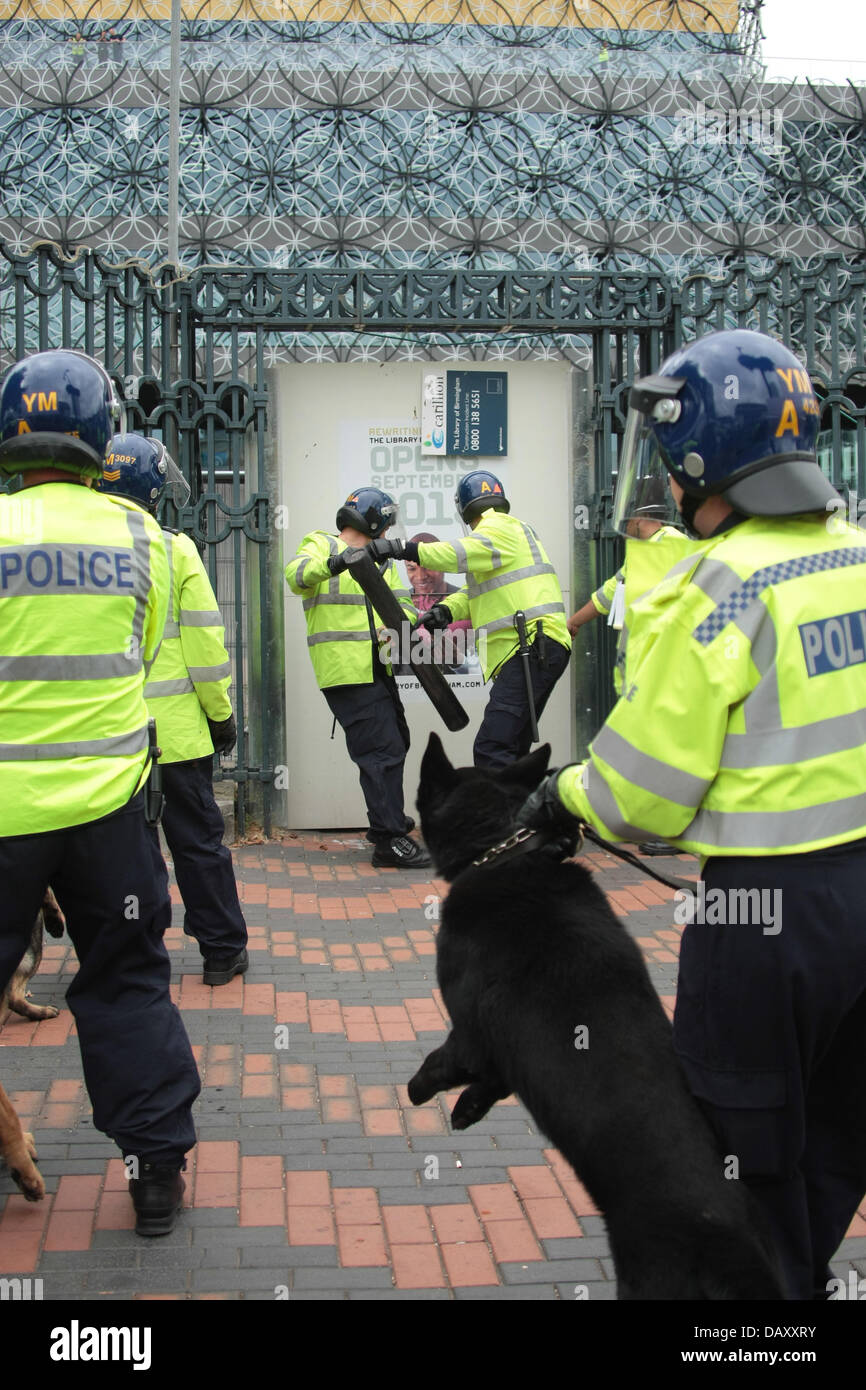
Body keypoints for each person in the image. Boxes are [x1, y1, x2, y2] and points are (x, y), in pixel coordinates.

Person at [518, 328, 866, 1300]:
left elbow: (639, 793)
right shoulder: (854, 554)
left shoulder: (718, 583)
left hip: (764, 918)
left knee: (734, 1149)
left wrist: (562, 795)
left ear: (693, 459)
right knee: (835, 1130)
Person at [0, 350, 200, 1237]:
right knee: (125, 984)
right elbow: (147, 652)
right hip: (107, 811)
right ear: (95, 434)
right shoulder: (143, 541)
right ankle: (153, 1171)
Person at [99, 433, 249, 986]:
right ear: (155, 491)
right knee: (197, 843)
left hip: (110, 732)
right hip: (179, 734)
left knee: (128, 849)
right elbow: (206, 646)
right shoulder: (172, 548)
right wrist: (222, 714)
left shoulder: (82, 547)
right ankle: (221, 952)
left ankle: (134, 955)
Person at [371, 472, 571, 768]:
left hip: (530, 648)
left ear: (463, 507)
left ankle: (494, 815)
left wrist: (401, 548)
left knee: (493, 747)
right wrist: (446, 611)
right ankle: (518, 812)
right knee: (512, 747)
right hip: (533, 649)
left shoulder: (498, 527)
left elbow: (455, 554)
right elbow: (473, 592)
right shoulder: (503, 534)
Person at [285, 487, 430, 869]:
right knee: (381, 750)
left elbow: (405, 605)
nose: (386, 533)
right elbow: (296, 575)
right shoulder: (319, 544)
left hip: (377, 666)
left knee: (395, 740)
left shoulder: (383, 560)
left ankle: (389, 821)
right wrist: (337, 563)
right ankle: (389, 840)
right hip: (345, 670)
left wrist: (399, 623)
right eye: (384, 526)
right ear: (374, 521)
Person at [403, 530, 473, 672]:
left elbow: (483, 667)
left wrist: (459, 662)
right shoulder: (400, 604)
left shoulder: (466, 602)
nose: (420, 576)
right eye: (411, 569)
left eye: (428, 567)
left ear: (443, 564)